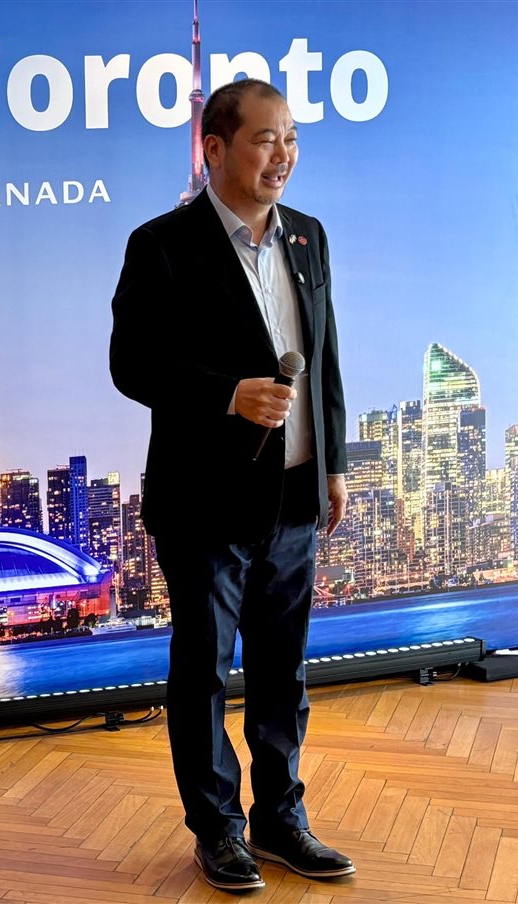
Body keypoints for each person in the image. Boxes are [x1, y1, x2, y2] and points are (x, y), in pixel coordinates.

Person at [109, 78, 354, 892]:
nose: (281, 154)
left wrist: (336, 467)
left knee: (285, 670)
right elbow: (131, 365)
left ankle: (284, 818)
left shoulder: (309, 239)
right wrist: (225, 393)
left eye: (289, 138)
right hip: (206, 498)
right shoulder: (163, 244)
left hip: (293, 495)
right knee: (206, 671)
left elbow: (325, 361)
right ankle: (218, 829)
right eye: (263, 139)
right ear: (213, 149)